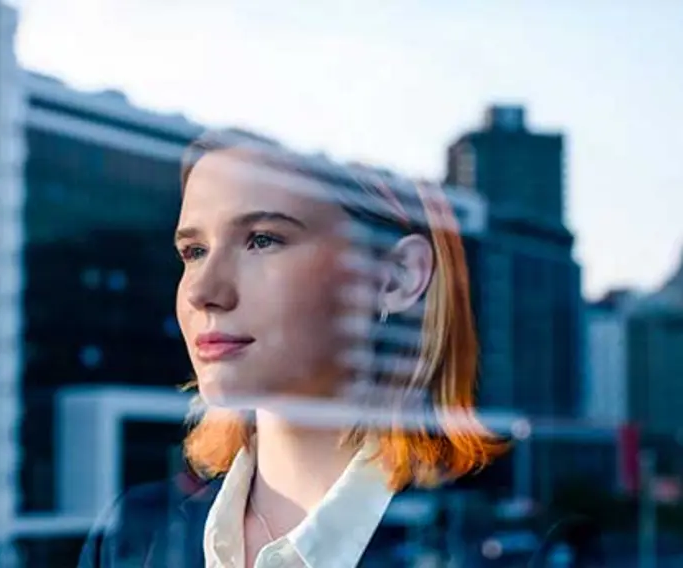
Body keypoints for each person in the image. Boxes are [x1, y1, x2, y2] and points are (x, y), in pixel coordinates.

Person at [77, 129, 557, 568]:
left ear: (396, 277)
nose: (204, 290)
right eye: (193, 252)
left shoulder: (486, 548)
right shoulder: (133, 537)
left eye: (263, 240)